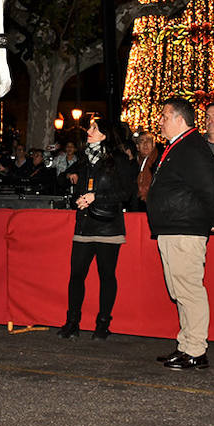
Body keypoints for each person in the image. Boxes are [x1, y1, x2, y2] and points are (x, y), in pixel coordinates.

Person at [147, 98, 214, 370]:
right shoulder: (178, 146)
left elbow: (210, 189)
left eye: (165, 116)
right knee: (179, 289)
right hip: (173, 228)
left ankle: (196, 350)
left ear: (180, 119)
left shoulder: (191, 147)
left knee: (189, 290)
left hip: (185, 229)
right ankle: (185, 344)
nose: (160, 121)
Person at [60, 118, 130, 340]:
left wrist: (95, 197)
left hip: (109, 226)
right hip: (84, 225)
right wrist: (73, 186)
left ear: (105, 135)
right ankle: (72, 322)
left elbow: (126, 193)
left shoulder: (119, 159)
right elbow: (68, 180)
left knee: (106, 275)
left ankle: (102, 324)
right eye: (90, 127)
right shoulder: (82, 158)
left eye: (94, 128)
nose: (88, 131)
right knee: (76, 275)